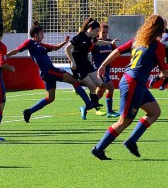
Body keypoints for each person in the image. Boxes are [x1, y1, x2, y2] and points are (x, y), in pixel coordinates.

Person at [91, 15, 168, 160]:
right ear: (160, 29)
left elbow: (118, 51)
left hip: (134, 82)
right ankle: (98, 148)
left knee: (154, 112)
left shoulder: (139, 40)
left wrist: (103, 65)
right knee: (124, 121)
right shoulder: (158, 47)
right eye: (164, 26)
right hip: (133, 83)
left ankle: (131, 141)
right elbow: (165, 72)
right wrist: (161, 75)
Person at [7, 21, 94, 123]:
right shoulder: (30, 43)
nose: (43, 36)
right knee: (74, 81)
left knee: (50, 98)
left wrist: (65, 42)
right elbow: (17, 50)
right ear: (35, 35)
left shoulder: (41, 45)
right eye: (41, 34)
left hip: (47, 73)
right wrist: (5, 56)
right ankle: (88, 103)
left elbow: (55, 47)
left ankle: (29, 111)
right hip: (49, 71)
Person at [64, 17, 119, 119]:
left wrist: (110, 43)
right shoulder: (79, 37)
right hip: (78, 65)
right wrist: (72, 61)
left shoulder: (91, 38)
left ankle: (88, 105)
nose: (98, 33)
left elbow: (98, 42)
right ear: (91, 29)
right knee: (92, 86)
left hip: (86, 63)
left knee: (100, 84)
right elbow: (67, 48)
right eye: (97, 31)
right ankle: (82, 89)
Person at [91, 23, 120, 118]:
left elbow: (117, 52)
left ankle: (87, 106)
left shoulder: (109, 42)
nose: (104, 34)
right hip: (99, 70)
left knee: (101, 91)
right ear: (98, 32)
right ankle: (109, 111)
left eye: (106, 32)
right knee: (110, 88)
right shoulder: (95, 43)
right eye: (103, 32)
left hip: (107, 70)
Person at [149, 19, 168, 90]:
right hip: (162, 55)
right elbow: (156, 42)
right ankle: (155, 80)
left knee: (165, 73)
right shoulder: (158, 33)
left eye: (165, 23)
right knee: (164, 73)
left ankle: (163, 85)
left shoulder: (167, 32)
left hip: (167, 54)